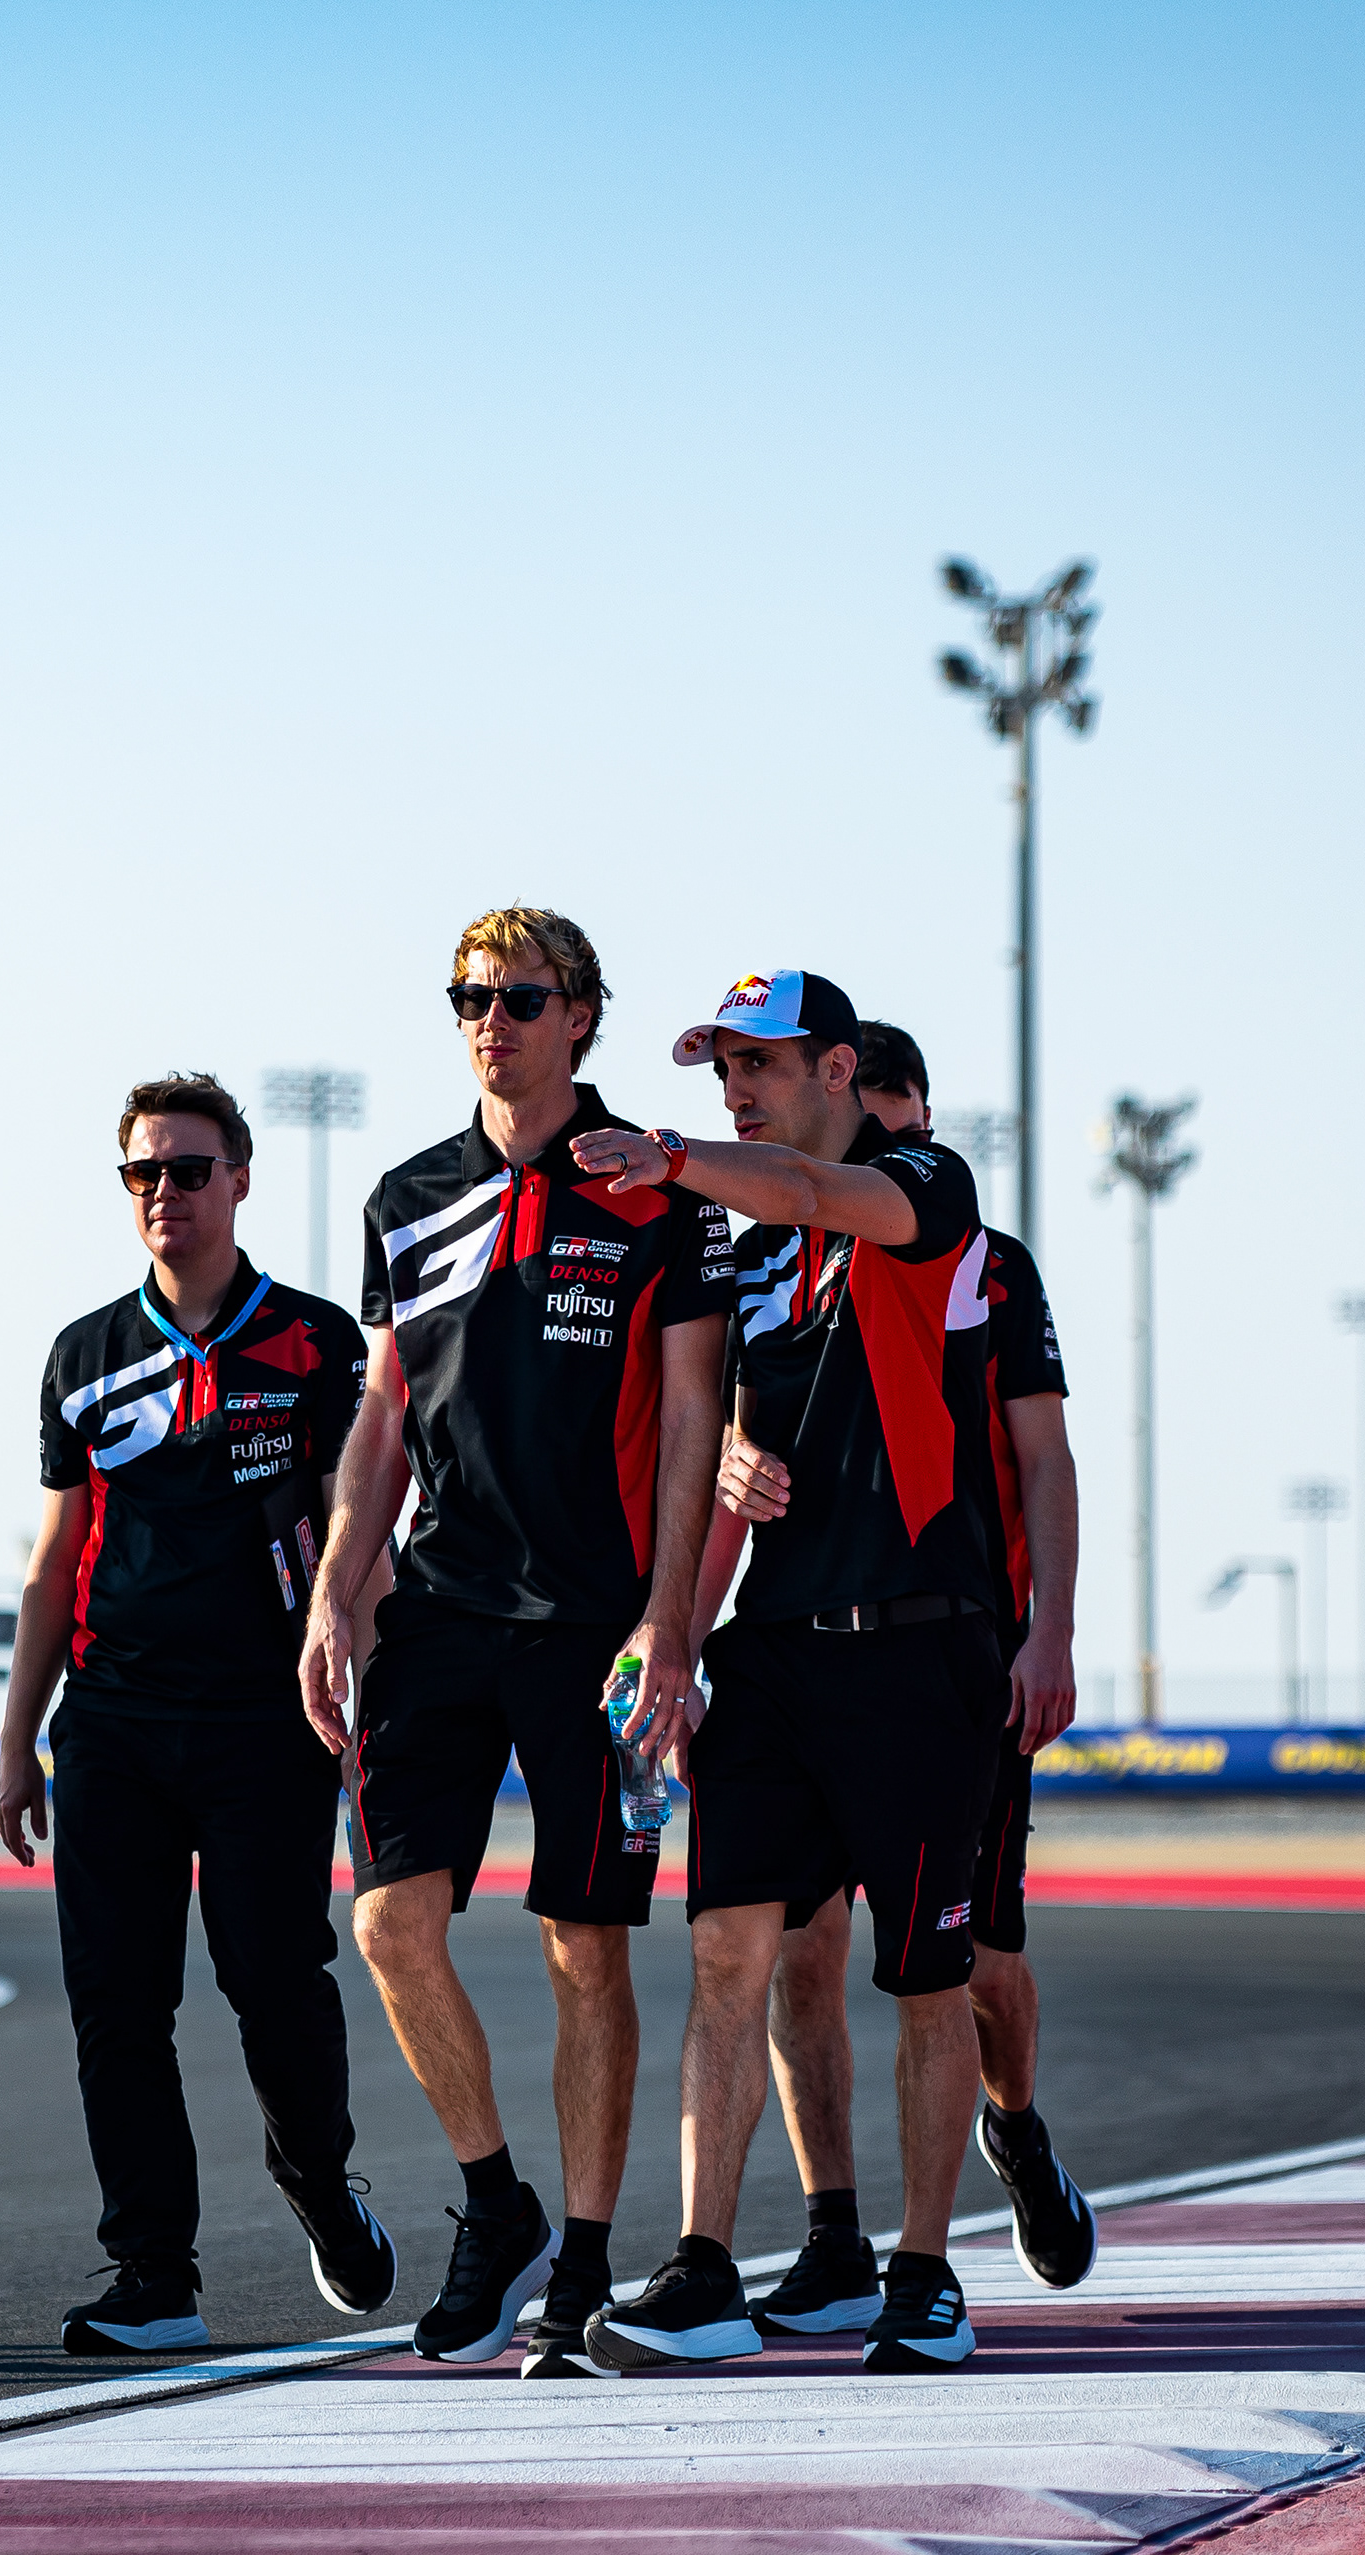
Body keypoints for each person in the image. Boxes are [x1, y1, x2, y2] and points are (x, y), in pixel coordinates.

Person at [298, 909, 729, 2376]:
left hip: (597, 1626)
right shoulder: (408, 1196)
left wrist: (670, 1619)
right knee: (386, 1923)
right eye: (471, 996)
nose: (493, 1018)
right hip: (440, 1605)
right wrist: (336, 1585)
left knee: (583, 1942)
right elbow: (382, 1410)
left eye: (522, 998)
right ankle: (499, 2206)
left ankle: (584, 2264)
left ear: (582, 1014)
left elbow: (694, 1419)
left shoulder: (655, 1189)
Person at [569, 967, 1013, 2377]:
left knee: (927, 1976)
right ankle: (704, 2264)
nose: (734, 1089)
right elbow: (719, 1445)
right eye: (720, 1071)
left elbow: (823, 1195)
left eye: (756, 1063)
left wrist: (678, 1156)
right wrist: (670, 1629)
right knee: (725, 1951)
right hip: (771, 1652)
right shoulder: (741, 1245)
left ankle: (925, 2272)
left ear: (835, 1067)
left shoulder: (926, 1182)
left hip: (922, 1645)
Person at [0, 1072, 396, 2356]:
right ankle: (154, 2274)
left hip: (265, 1720)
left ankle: (318, 2179)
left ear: (239, 1179)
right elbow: (52, 1563)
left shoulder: (317, 1340)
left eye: (186, 1167)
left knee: (274, 1980)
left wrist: (373, 1698)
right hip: (110, 1722)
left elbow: (360, 1532)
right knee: (116, 2008)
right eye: (142, 1172)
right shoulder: (82, 1354)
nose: (163, 1190)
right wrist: (16, 1741)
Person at [720, 1022, 1094, 2337]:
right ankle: (835, 2230)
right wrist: (729, 1459)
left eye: (899, 1116)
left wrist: (1048, 1634)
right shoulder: (771, 1266)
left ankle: (1016, 2125)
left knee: (976, 1961)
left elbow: (1044, 1460)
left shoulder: (986, 1260)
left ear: (921, 1117)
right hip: (798, 1651)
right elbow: (736, 1428)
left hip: (956, 1658)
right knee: (798, 1948)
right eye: (863, 1116)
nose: (882, 1140)